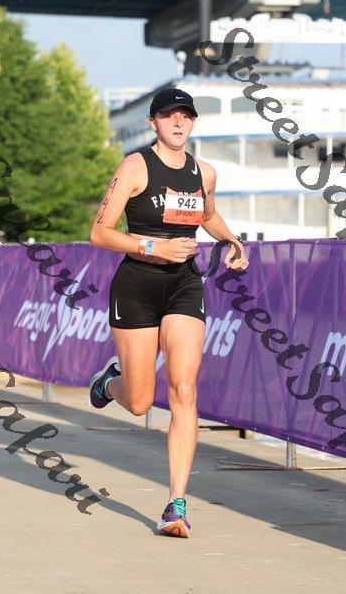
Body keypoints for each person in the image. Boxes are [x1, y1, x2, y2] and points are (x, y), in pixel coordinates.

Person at [89, 87, 249, 538]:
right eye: (168, 115)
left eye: (186, 116)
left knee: (184, 388)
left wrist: (232, 240)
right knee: (140, 402)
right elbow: (100, 233)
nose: (178, 122)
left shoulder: (204, 173)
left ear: (193, 122)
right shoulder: (135, 167)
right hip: (137, 286)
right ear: (153, 122)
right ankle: (110, 380)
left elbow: (207, 216)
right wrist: (153, 247)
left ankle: (176, 503)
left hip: (184, 285)